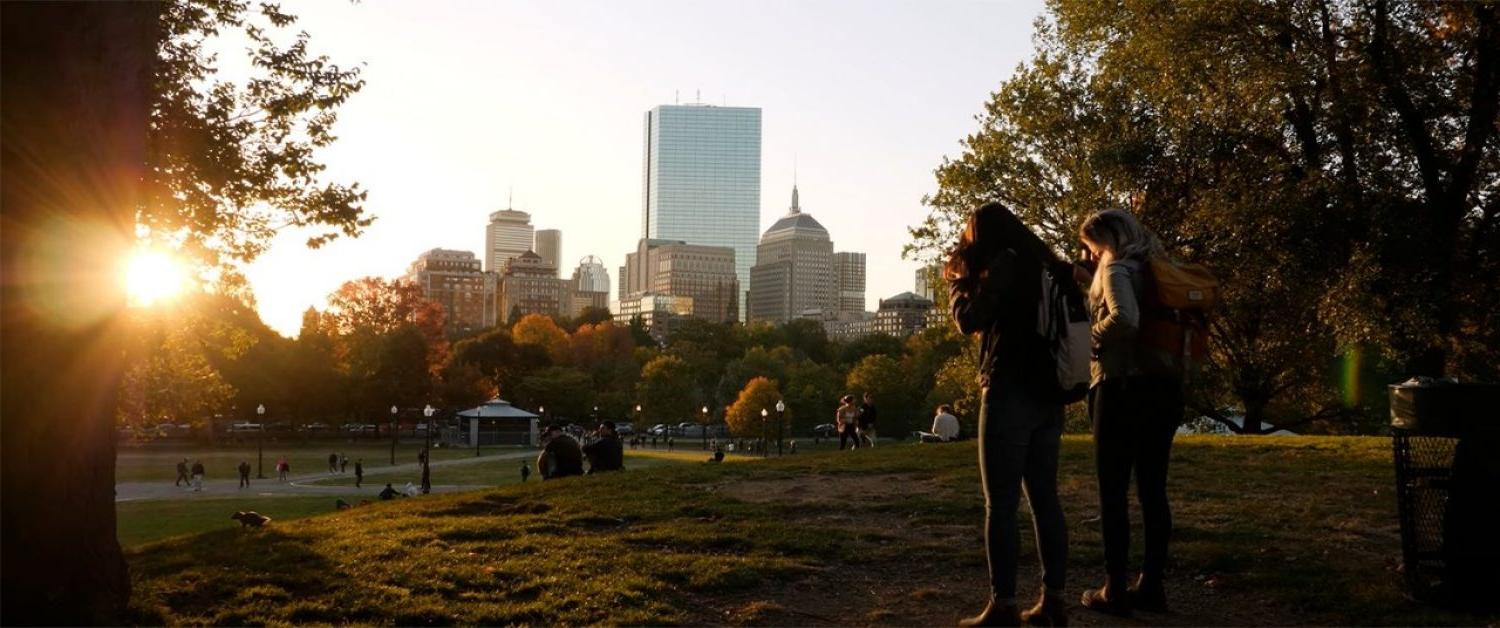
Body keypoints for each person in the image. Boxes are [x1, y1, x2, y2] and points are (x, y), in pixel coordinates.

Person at [949, 202, 1071, 626]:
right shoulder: (1045, 264)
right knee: (1045, 500)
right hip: (1050, 391)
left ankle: (1003, 605)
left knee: (1000, 505)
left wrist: (961, 285)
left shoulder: (999, 267)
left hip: (1010, 389)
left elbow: (969, 320)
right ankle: (1054, 600)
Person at [1076, 208, 1182, 617]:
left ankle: (1113, 587)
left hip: (1121, 389)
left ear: (1105, 239)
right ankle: (1152, 585)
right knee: (1154, 490)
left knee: (1113, 491)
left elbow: (1125, 318)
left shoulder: (1116, 268)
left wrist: (1089, 338)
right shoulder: (1155, 267)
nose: (1089, 255)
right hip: (1165, 389)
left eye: (1090, 246)